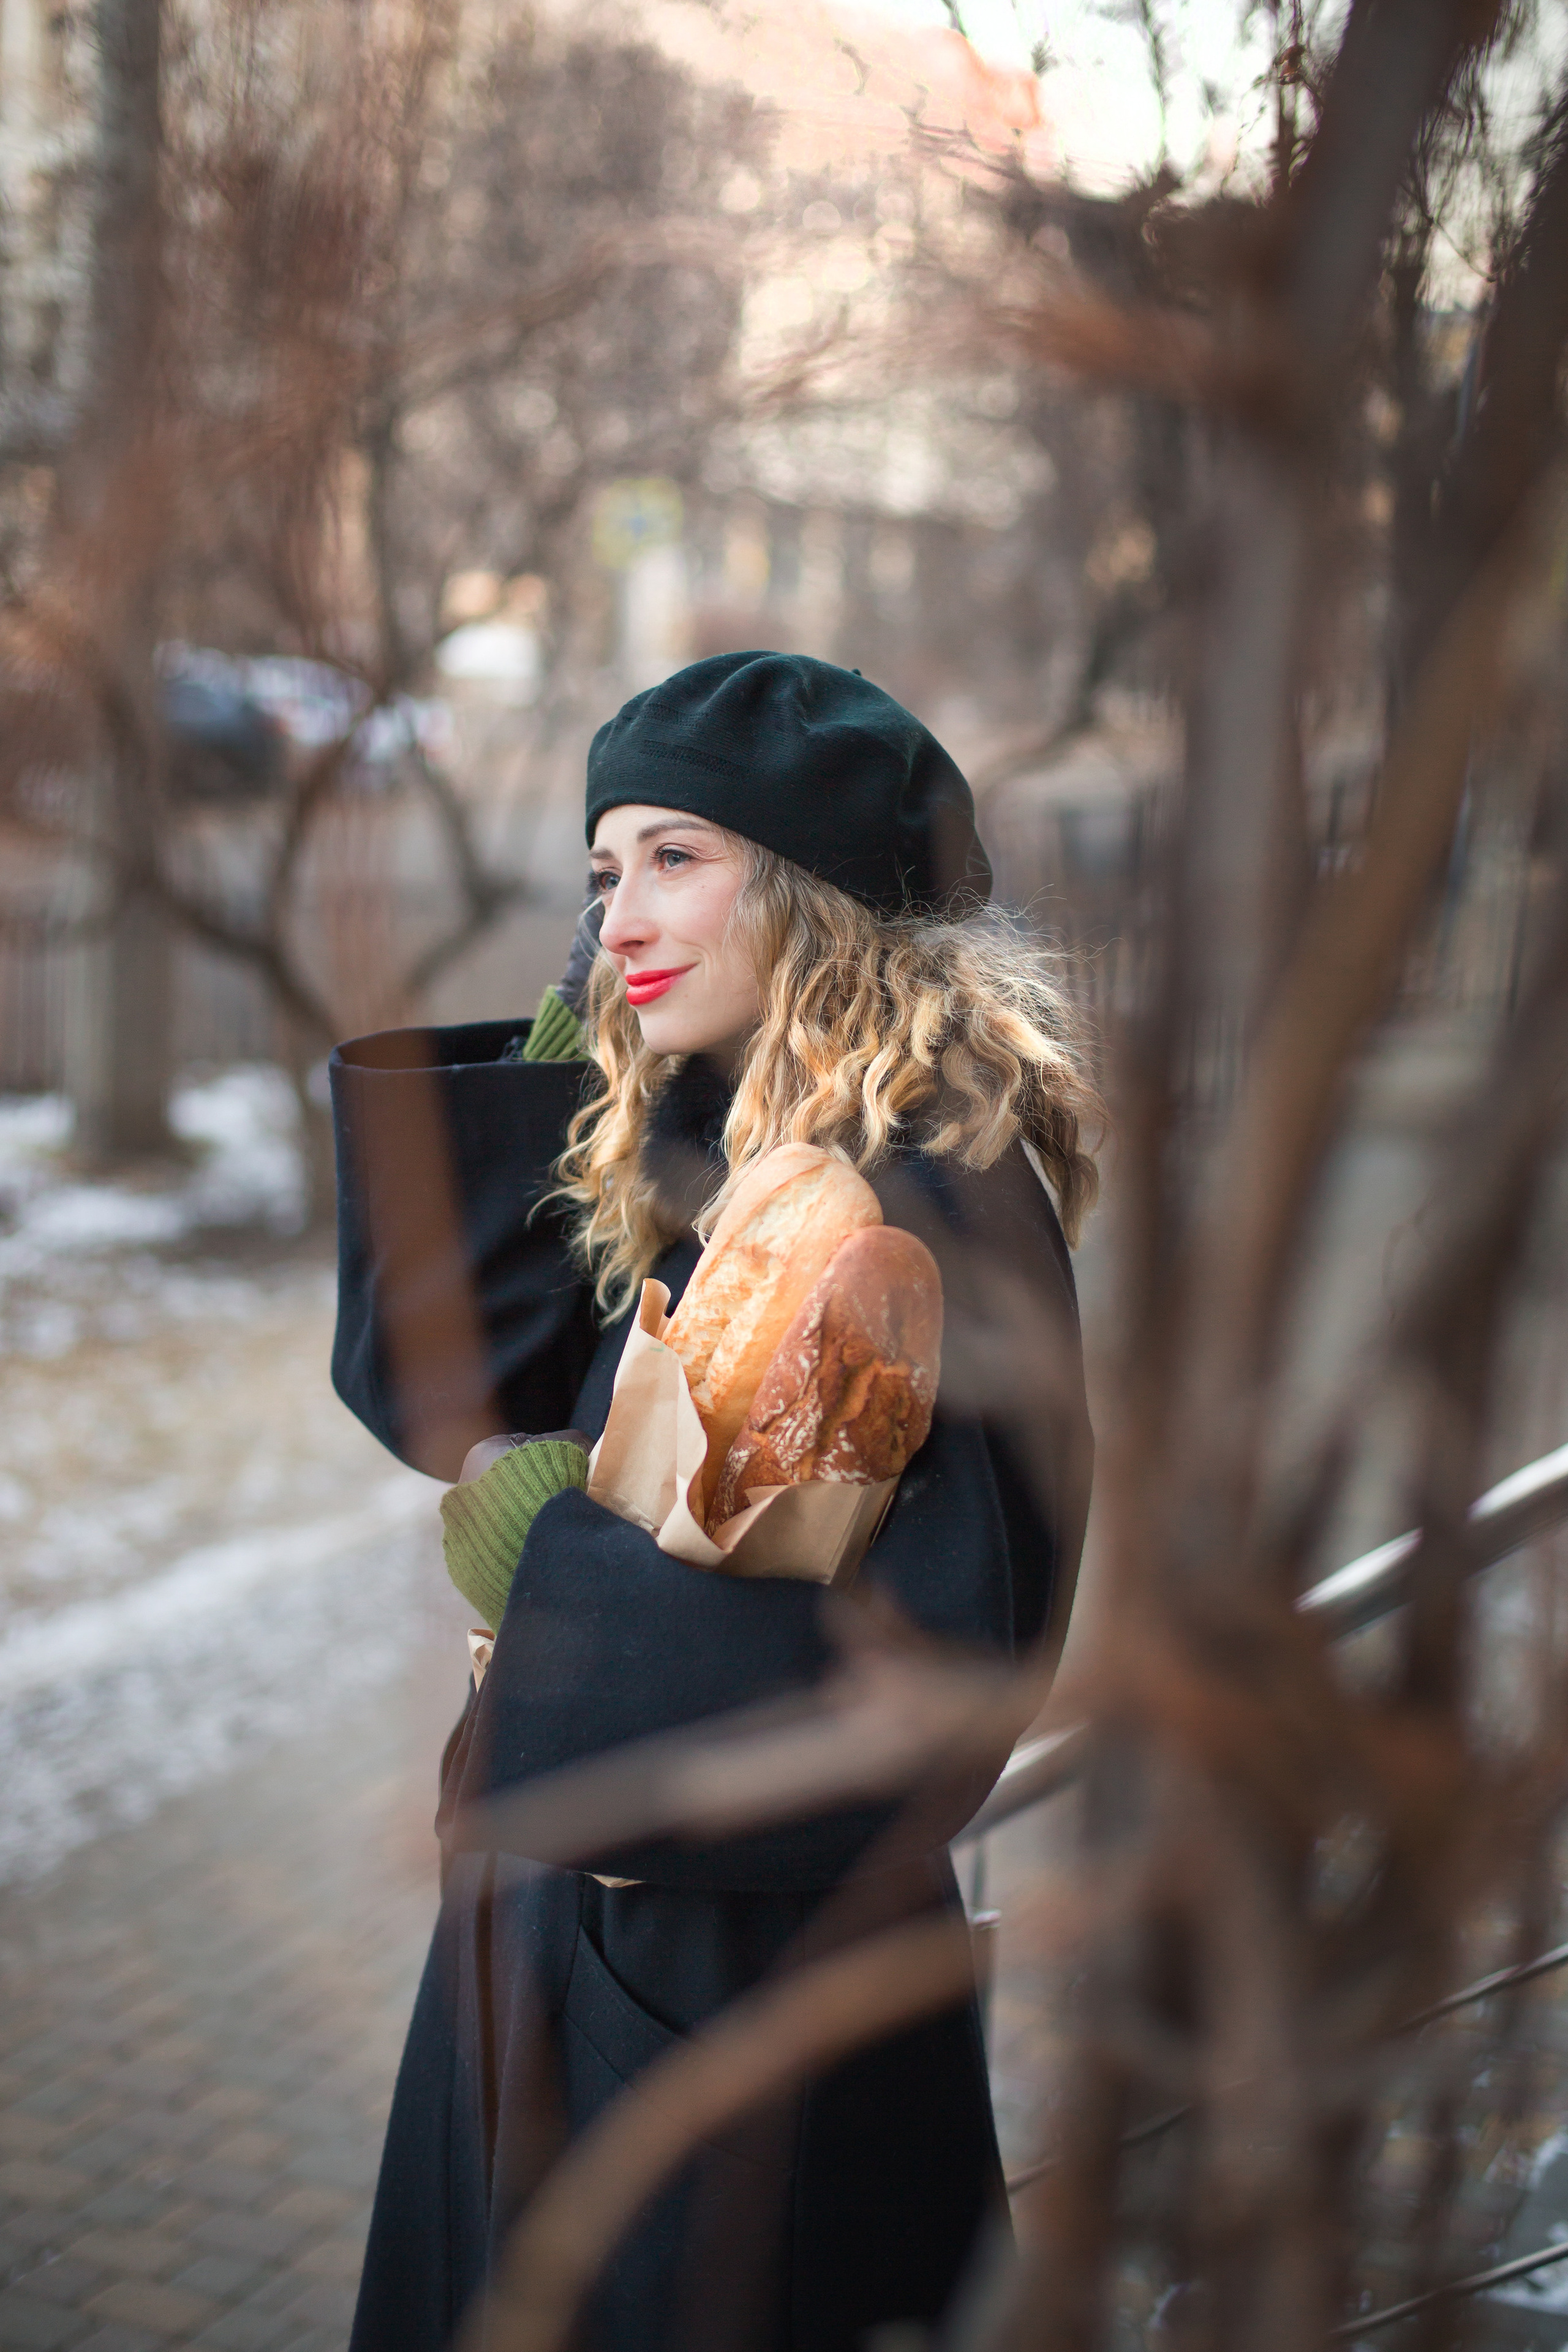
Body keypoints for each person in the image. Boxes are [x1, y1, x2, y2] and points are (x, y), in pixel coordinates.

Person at [330, 651, 1099, 2352]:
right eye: (602, 873)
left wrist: (548, 1569)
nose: (617, 917)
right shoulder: (739, 1141)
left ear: (819, 887)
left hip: (723, 2012)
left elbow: (936, 1687)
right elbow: (444, 1389)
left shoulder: (917, 1199)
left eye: (678, 856)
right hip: (597, 1951)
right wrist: (551, 1077)